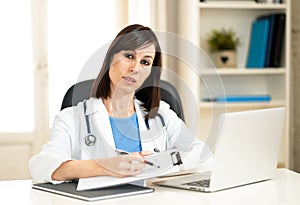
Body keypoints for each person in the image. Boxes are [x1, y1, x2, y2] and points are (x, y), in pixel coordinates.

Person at [29, 24, 211, 184]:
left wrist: (160, 161)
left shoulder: (161, 113)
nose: (135, 68)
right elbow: (41, 167)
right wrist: (106, 166)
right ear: (110, 59)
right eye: (129, 56)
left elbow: (204, 155)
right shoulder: (72, 118)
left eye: (145, 62)